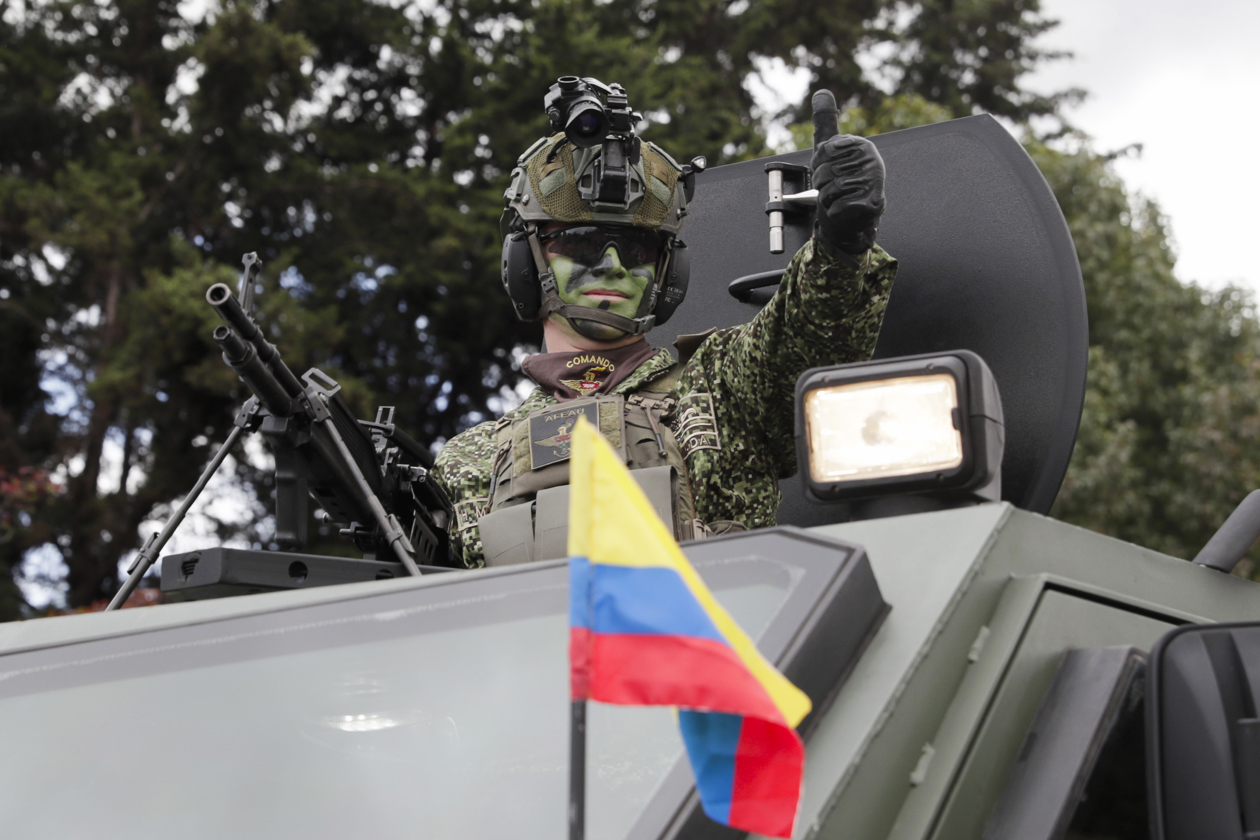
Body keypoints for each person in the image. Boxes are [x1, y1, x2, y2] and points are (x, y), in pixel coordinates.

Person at [433, 80, 898, 568]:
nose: (613, 265)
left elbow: (812, 336)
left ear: (667, 271)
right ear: (525, 266)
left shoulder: (720, 387)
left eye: (637, 250)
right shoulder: (469, 459)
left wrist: (843, 244)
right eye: (584, 243)